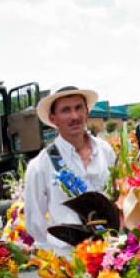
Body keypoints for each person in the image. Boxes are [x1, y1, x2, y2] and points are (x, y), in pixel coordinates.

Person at [24, 85, 116, 256]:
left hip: (110, 252)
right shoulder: (40, 165)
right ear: (53, 118)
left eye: (78, 108)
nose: (74, 116)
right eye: (65, 110)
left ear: (87, 111)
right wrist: (58, 253)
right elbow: (35, 222)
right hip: (71, 261)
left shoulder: (105, 150)